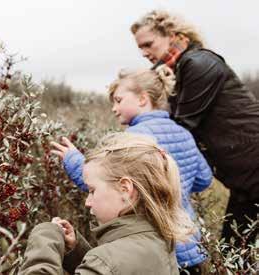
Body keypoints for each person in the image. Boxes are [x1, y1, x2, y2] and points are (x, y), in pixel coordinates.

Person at [50, 65, 212, 274]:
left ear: (143, 99)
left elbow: (107, 182)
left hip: (147, 246)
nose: (114, 108)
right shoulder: (183, 133)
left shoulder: (133, 140)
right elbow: (204, 179)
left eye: (118, 100)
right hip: (187, 242)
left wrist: (73, 161)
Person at [130, 10, 259, 246]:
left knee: (235, 248)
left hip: (252, 167)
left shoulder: (198, 64)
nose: (144, 52)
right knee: (234, 249)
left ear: (171, 34)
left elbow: (181, 124)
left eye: (148, 44)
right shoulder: (182, 67)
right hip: (244, 179)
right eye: (140, 48)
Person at [18, 132, 195, 275]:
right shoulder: (161, 239)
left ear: (125, 189)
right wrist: (77, 252)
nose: (87, 202)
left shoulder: (106, 262)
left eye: (92, 190)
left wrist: (46, 237)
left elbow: (109, 266)